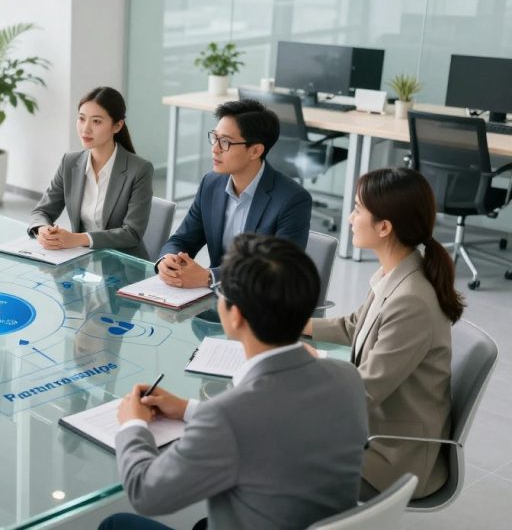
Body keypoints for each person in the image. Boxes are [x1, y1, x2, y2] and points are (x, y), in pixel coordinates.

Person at [102, 234, 368, 530]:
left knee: (115, 524)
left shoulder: (228, 416)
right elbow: (272, 426)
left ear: (236, 316)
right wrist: (189, 409)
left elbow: (145, 493)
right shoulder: (347, 378)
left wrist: (133, 425)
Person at [306, 167, 464, 499]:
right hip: (375, 432)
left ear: (384, 227)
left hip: (393, 458)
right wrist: (289, 326)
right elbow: (353, 326)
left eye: (357, 209)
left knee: (276, 453)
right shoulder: (396, 272)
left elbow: (364, 390)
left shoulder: (411, 301)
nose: (350, 218)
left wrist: (307, 370)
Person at [156, 99, 312, 288]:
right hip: (213, 297)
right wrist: (168, 260)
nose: (215, 149)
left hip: (258, 299)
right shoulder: (210, 184)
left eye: (225, 142)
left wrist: (210, 277)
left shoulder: (292, 199)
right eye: (215, 138)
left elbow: (280, 270)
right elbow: (182, 239)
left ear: (255, 150)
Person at [29, 87, 155, 258]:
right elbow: (41, 211)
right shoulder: (69, 163)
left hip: (123, 263)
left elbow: (131, 233)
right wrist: (43, 230)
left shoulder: (139, 169)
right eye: (81, 119)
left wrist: (77, 239)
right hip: (81, 260)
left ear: (117, 126)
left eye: (96, 121)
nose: (85, 129)